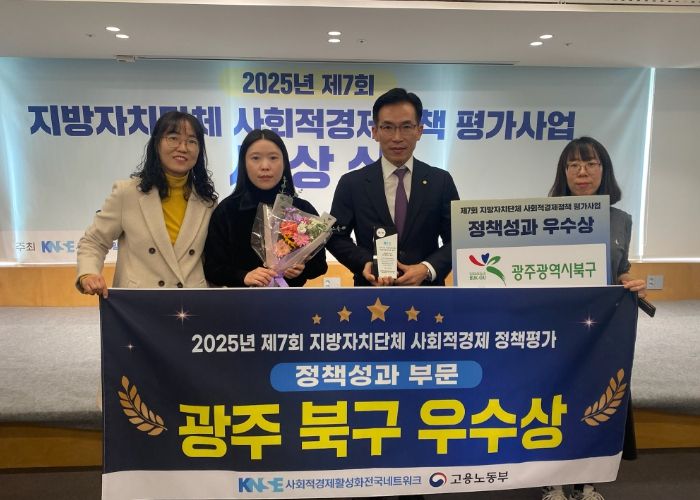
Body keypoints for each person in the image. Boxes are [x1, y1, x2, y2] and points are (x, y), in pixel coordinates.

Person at [542, 136, 647, 500]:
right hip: (555, 324)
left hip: (600, 329)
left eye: (590, 164)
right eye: (573, 165)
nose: (582, 172)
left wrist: (628, 280)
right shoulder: (543, 218)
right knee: (554, 397)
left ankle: (588, 481)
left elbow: (620, 268)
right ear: (564, 172)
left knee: (595, 398)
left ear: (604, 170)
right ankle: (552, 480)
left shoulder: (621, 221)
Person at [76, 110, 218, 297]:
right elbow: (94, 241)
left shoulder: (208, 201)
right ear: (156, 144)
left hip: (192, 302)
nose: (183, 147)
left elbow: (214, 259)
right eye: (173, 138)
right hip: (139, 302)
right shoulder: (127, 193)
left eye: (192, 141)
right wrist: (88, 273)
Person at [327, 88, 459, 286]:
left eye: (406, 127)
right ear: (375, 132)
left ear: (419, 131)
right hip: (370, 292)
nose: (397, 137)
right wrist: (365, 263)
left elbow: (458, 239)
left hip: (427, 294)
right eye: (388, 127)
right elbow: (335, 236)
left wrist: (427, 268)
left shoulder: (440, 181)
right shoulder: (352, 183)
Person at [203, 129, 327, 287]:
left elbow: (320, 266)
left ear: (284, 163)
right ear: (243, 163)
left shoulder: (301, 209)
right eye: (255, 158)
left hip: (291, 300)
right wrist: (243, 276)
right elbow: (212, 268)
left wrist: (301, 268)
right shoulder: (228, 210)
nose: (265, 166)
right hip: (240, 301)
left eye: (273, 158)